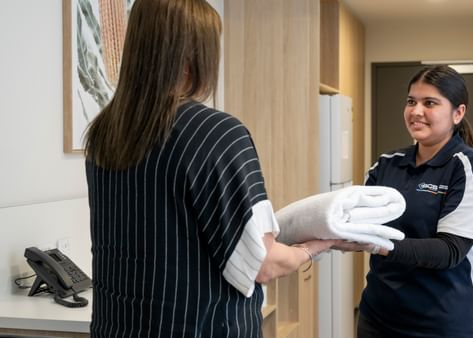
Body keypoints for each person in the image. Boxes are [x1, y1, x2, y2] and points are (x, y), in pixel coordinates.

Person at [84, 1, 337, 337]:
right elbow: (263, 262)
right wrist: (317, 246)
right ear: (194, 58)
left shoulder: (103, 133)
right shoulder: (218, 133)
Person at [338, 65, 473, 338]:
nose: (416, 111)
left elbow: (450, 250)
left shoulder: (470, 167)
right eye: (411, 101)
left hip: (442, 322)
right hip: (378, 317)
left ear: (458, 113)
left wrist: (380, 245)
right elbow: (358, 224)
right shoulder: (386, 165)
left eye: (430, 103)